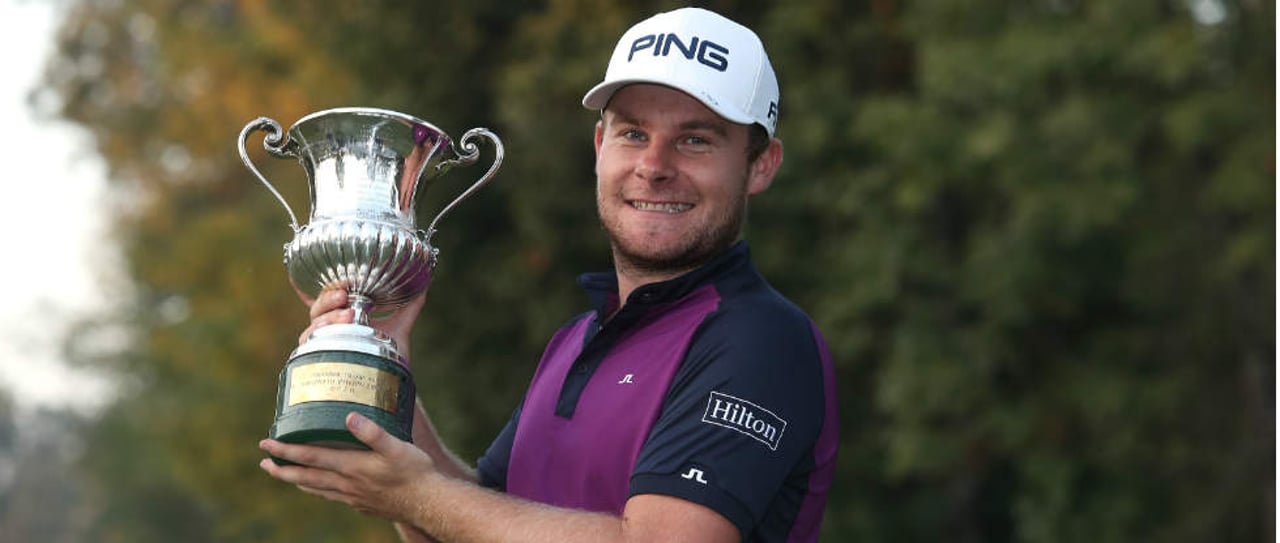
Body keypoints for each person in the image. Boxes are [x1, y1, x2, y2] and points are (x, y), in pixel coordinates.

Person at [260, 7, 839, 542]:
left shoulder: (761, 340)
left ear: (760, 165)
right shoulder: (577, 339)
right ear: (599, 145)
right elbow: (466, 521)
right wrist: (383, 357)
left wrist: (416, 494)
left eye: (695, 140)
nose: (654, 166)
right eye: (633, 133)